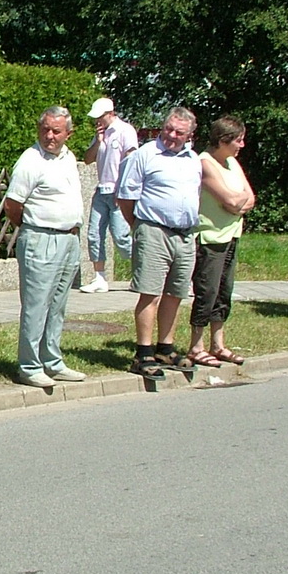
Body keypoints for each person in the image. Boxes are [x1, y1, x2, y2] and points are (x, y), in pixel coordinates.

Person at [2, 106, 88, 387]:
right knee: (36, 306)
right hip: (41, 239)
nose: (50, 136)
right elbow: (13, 205)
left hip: (68, 239)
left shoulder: (68, 157)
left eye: (56, 131)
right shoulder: (30, 160)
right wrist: (34, 229)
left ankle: (52, 361)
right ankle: (29, 366)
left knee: (57, 305)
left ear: (68, 134)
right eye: (45, 130)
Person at [115, 106, 203, 378]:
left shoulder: (193, 159)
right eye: (168, 129)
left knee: (176, 293)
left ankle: (166, 347)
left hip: (185, 234)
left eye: (179, 132)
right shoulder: (145, 155)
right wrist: (140, 227)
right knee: (150, 292)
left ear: (190, 134)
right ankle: (143, 353)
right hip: (153, 230)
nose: (172, 136)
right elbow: (125, 198)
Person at [188, 115, 255, 366]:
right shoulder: (204, 163)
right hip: (210, 237)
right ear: (223, 139)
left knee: (224, 292)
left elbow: (249, 197)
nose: (242, 145)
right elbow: (229, 199)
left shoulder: (231, 163)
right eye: (238, 140)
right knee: (207, 291)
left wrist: (238, 204)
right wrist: (236, 203)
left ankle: (218, 344)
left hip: (232, 235)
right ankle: (196, 346)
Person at [81, 97, 138, 293]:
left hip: (118, 191)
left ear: (110, 114)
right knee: (94, 234)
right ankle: (99, 278)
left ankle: (141, 270)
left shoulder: (125, 131)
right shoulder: (101, 134)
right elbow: (88, 159)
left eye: (100, 117)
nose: (97, 121)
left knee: (121, 236)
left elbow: (131, 159)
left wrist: (122, 189)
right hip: (101, 190)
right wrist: (98, 142)